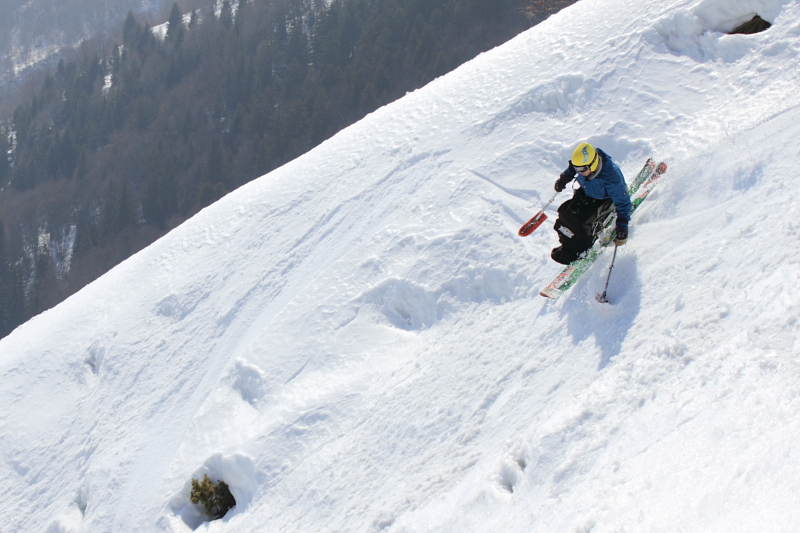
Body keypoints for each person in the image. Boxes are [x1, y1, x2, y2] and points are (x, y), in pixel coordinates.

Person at [550, 142, 632, 265]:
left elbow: (623, 202)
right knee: (564, 212)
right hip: (587, 192)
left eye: (582, 169)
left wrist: (623, 224)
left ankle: (580, 250)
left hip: (605, 200)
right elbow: (572, 168)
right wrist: (564, 178)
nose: (579, 171)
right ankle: (567, 245)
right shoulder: (583, 166)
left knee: (582, 223)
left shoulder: (611, 176)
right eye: (578, 169)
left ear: (593, 164)